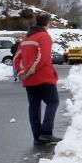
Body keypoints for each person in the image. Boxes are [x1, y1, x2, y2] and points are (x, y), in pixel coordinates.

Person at [13, 15, 61, 145]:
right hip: (43, 77)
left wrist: (21, 72)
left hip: (29, 81)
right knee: (53, 102)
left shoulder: (26, 38)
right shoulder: (44, 36)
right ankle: (46, 133)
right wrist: (28, 71)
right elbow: (42, 58)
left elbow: (16, 58)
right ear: (47, 23)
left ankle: (37, 135)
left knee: (34, 107)